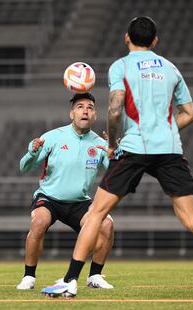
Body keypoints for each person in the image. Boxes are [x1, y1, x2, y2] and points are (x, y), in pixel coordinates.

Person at [41, 16, 193, 300]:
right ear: (155, 41)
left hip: (134, 148)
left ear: (126, 38)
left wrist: (111, 143)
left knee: (96, 213)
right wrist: (166, 128)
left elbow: (113, 109)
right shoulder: (171, 69)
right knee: (191, 216)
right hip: (170, 149)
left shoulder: (121, 66)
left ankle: (70, 281)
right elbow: (190, 114)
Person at [17, 92, 114, 291]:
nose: (85, 110)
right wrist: (32, 152)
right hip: (49, 198)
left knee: (107, 225)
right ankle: (29, 277)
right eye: (80, 107)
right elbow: (24, 167)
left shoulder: (100, 143)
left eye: (90, 107)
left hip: (80, 201)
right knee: (39, 221)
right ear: (72, 114)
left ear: (94, 115)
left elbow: (116, 172)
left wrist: (115, 153)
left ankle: (94, 276)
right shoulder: (52, 137)